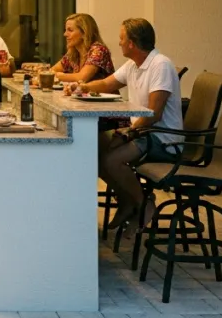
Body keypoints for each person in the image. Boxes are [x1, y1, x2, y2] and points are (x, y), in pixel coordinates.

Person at [68, 18, 183, 231]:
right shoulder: (134, 65)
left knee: (111, 161)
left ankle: (142, 204)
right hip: (143, 133)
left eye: (122, 39)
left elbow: (153, 114)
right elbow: (106, 83)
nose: (119, 43)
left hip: (162, 138)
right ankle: (126, 201)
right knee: (98, 154)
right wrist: (81, 87)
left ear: (132, 43)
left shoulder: (161, 65)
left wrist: (129, 133)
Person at [51, 13, 115, 84]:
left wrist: (59, 76)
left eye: (70, 30)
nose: (65, 34)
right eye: (65, 30)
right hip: (85, 95)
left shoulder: (99, 50)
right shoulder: (73, 52)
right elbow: (51, 71)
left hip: (106, 95)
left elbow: (82, 78)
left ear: (84, 33)